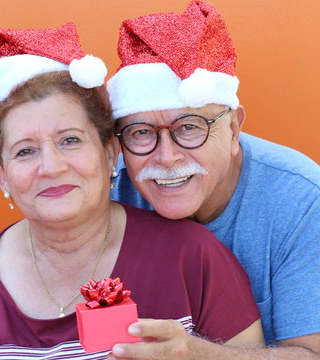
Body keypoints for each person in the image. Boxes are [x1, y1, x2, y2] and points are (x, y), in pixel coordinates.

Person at [0, 22, 264, 359]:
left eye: (70, 140)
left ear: (109, 155)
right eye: (25, 151)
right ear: (2, 175)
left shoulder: (190, 257)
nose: (51, 166)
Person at [107, 1, 320, 359]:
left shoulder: (302, 201)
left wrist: (199, 355)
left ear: (234, 128)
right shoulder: (109, 189)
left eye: (189, 127)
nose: (166, 157)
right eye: (141, 132)